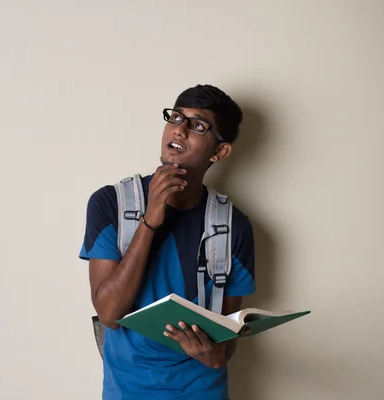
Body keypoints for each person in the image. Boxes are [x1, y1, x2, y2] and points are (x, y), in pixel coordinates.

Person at [78, 84, 256, 400]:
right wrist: (150, 221)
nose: (179, 130)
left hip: (203, 392)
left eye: (197, 125)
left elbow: (225, 344)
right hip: (127, 392)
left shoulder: (234, 226)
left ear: (219, 152)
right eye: (175, 117)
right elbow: (109, 313)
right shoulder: (110, 204)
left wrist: (215, 355)